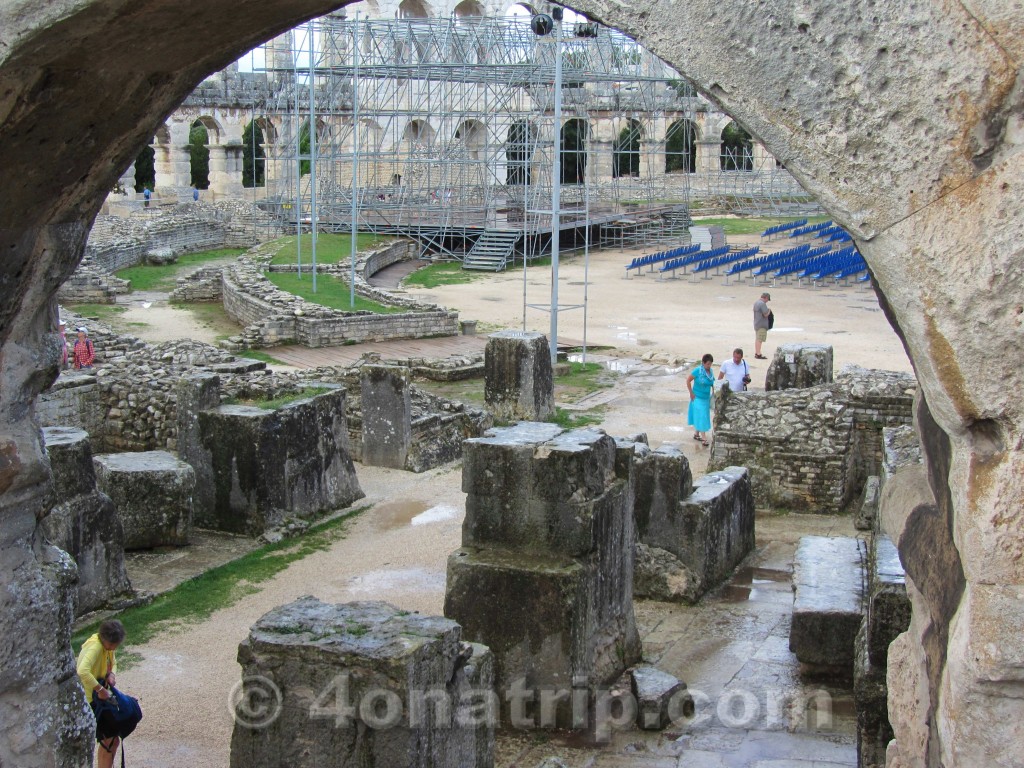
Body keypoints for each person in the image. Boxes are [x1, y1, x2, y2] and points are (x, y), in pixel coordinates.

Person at [77, 620, 126, 768]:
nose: (114, 648)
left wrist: (112, 674)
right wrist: (100, 689)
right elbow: (82, 670)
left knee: (111, 741)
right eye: (113, 645)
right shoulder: (96, 647)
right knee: (110, 741)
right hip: (92, 700)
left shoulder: (106, 646)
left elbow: (113, 661)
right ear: (106, 640)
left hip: (98, 699)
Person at [687, 353, 715, 446]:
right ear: (703, 363)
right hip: (697, 397)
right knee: (702, 416)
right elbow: (688, 380)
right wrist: (691, 393)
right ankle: (704, 438)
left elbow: (712, 383)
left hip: (706, 398)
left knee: (701, 415)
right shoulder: (697, 371)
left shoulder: (710, 372)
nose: (709, 366)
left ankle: (696, 433)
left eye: (710, 364)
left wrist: (714, 394)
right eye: (707, 364)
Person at [753, 292, 773, 359]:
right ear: (766, 298)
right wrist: (769, 310)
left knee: (757, 339)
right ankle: (758, 354)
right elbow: (765, 314)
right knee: (760, 339)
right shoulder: (762, 304)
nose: (767, 301)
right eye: (767, 299)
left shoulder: (756, 302)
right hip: (762, 324)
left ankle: (757, 352)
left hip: (756, 323)